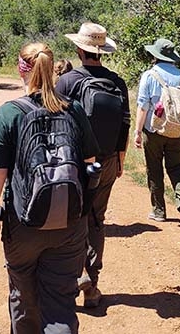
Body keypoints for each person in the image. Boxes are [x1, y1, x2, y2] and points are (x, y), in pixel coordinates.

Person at [0, 42, 98, 334]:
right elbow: (91, 161)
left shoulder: (10, 113)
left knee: (24, 298)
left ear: (21, 70)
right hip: (70, 223)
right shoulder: (74, 109)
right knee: (60, 304)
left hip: (23, 225)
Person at [54, 22, 130, 309]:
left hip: (74, 159)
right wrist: (120, 159)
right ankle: (92, 285)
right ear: (102, 52)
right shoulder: (117, 82)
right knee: (97, 218)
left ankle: (76, 275)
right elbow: (124, 122)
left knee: (71, 217)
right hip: (108, 158)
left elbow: (57, 122)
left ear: (79, 48)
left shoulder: (68, 81)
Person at [133, 37, 180, 230]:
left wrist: (137, 131)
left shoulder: (150, 75)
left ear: (155, 55)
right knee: (176, 167)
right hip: (176, 130)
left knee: (154, 169)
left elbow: (143, 106)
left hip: (154, 130)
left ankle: (159, 211)